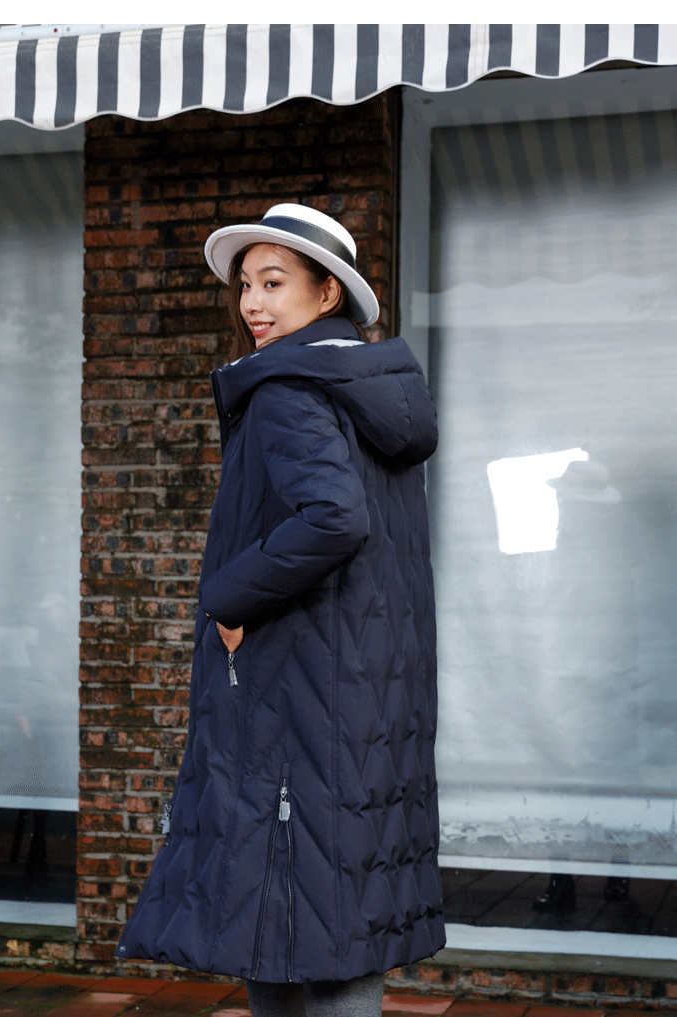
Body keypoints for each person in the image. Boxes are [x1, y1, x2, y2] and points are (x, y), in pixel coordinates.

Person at [115, 204, 445, 1015]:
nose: (253, 303)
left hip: (296, 686)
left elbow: (333, 518)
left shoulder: (285, 388)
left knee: (282, 896)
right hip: (365, 692)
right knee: (342, 902)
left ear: (328, 293)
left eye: (274, 283)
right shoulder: (368, 391)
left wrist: (228, 596)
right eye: (245, 285)